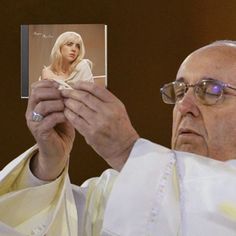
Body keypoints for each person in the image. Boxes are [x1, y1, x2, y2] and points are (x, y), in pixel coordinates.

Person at [1, 40, 236, 235]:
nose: (184, 106)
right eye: (180, 91)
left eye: (211, 90)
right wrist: (47, 168)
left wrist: (126, 150)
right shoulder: (115, 192)